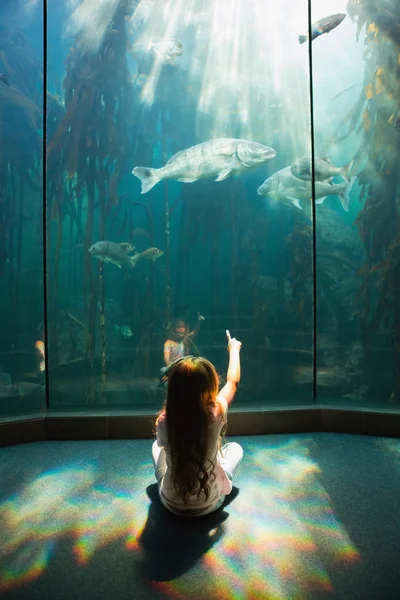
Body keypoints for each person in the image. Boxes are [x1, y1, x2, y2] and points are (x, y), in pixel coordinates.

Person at [152, 330, 243, 516]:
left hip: (170, 503)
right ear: (209, 385)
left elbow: (164, 444)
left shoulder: (165, 420)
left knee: (156, 445)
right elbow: (233, 382)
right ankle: (223, 481)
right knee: (235, 449)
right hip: (210, 503)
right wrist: (234, 350)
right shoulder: (215, 412)